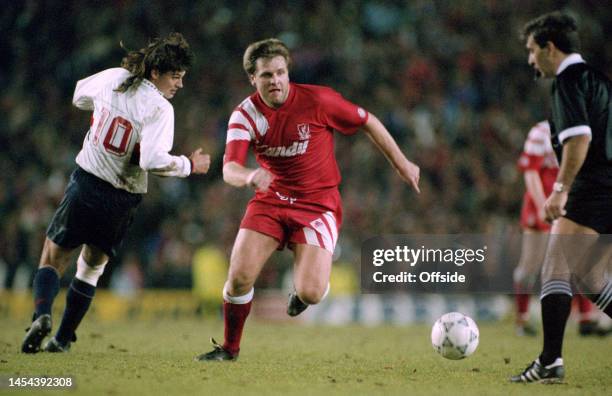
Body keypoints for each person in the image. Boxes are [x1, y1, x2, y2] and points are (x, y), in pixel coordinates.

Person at [195, 38, 420, 361]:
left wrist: (402, 163)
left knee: (311, 292)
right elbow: (228, 168)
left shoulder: (318, 100)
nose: (275, 81)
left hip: (317, 205)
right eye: (266, 76)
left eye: (280, 73)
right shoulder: (244, 115)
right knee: (239, 276)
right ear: (252, 79)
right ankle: (229, 349)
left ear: (288, 73)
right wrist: (249, 176)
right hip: (270, 200)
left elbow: (367, 120)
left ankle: (302, 295)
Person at [21, 32, 211, 353]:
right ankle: (63, 339)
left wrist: (104, 113)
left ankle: (41, 315)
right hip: (122, 198)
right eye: (175, 77)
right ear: (155, 73)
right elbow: (152, 160)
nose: (179, 84)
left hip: (87, 183)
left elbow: (79, 97)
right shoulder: (160, 109)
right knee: (91, 268)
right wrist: (189, 164)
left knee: (53, 257)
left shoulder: (115, 78)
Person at [511, 12, 612, 383]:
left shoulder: (568, 81)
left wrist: (560, 188)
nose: (530, 59)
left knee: (555, 267)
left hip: (594, 187)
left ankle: (550, 361)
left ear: (550, 48)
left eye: (532, 50)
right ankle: (550, 360)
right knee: (591, 277)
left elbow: (579, 140)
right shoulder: (601, 81)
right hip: (608, 187)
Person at [514, 120, 598, 337]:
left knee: (576, 259)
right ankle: (522, 319)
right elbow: (531, 172)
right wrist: (541, 203)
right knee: (531, 263)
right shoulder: (540, 132)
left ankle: (585, 319)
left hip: (568, 201)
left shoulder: (585, 131)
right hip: (541, 202)